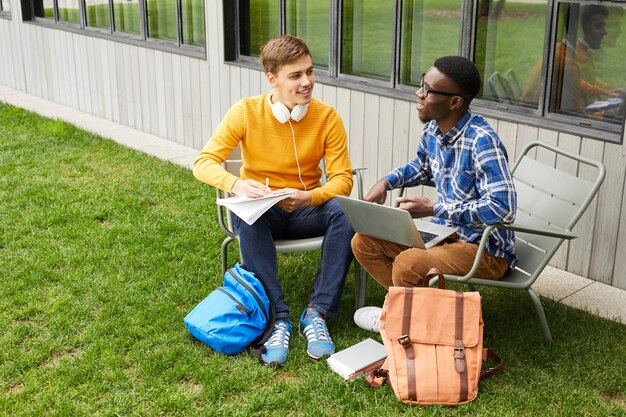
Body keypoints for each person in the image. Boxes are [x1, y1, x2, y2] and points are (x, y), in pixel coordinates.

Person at [193, 35, 355, 365]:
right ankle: (278, 318)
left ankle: (317, 313)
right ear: (272, 79)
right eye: (295, 75)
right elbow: (203, 162)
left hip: (306, 210)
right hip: (262, 214)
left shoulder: (327, 117)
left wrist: (310, 195)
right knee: (249, 216)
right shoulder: (245, 111)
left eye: (310, 72)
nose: (307, 81)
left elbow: (343, 180)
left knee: (346, 211)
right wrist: (236, 184)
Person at [352, 56, 517, 333]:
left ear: (455, 102)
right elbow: (422, 166)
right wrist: (386, 181)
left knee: (408, 263)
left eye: (428, 90)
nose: (419, 94)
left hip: (484, 248)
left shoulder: (482, 141)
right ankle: (415, 316)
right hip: (444, 233)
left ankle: (397, 319)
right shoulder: (433, 128)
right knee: (364, 242)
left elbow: (502, 208)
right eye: (421, 84)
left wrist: (435, 209)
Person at [521, 5, 624, 117]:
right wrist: (610, 114)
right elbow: (575, 116)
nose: (605, 32)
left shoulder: (562, 49)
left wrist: (608, 92)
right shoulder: (566, 64)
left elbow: (579, 82)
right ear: (579, 30)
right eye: (598, 26)